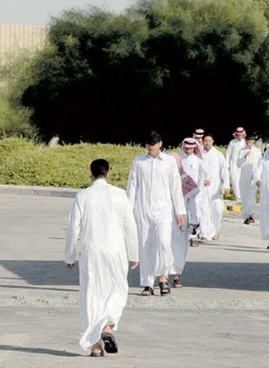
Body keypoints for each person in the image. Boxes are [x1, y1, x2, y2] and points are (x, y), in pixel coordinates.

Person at [64, 159, 138, 357]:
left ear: (90, 173)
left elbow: (73, 228)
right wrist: (134, 254)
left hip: (92, 252)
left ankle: (95, 345)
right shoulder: (120, 195)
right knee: (117, 290)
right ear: (109, 174)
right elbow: (130, 226)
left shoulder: (83, 196)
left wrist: (69, 256)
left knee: (91, 295)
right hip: (116, 252)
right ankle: (108, 326)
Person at [126, 131, 185, 297]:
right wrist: (127, 211)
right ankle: (147, 283)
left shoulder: (169, 162)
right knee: (145, 246)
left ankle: (163, 277)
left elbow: (175, 186)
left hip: (164, 210)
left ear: (160, 144)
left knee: (163, 242)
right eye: (148, 144)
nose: (151, 147)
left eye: (154, 144)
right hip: (144, 210)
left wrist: (179, 211)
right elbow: (132, 187)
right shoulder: (139, 161)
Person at [169, 137, 207, 289]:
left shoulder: (187, 180)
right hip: (165, 218)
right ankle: (163, 276)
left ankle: (177, 275)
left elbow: (192, 202)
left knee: (180, 247)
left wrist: (194, 221)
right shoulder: (164, 178)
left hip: (182, 219)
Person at [200, 133, 230, 240]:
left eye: (209, 141)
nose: (207, 143)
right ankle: (204, 233)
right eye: (205, 141)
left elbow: (224, 170)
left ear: (213, 141)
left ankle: (215, 230)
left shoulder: (218, 155)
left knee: (217, 210)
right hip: (202, 188)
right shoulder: (199, 154)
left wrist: (226, 185)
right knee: (204, 210)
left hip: (216, 188)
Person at [238, 135, 261, 225]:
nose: (249, 143)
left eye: (250, 141)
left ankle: (251, 214)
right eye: (247, 141)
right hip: (244, 175)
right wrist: (244, 157)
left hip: (253, 175)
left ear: (253, 141)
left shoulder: (257, 151)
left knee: (251, 195)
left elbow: (259, 164)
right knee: (244, 195)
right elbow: (238, 164)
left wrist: (257, 176)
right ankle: (247, 215)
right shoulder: (241, 151)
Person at [225, 127, 247, 203]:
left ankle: (244, 198)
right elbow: (228, 154)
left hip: (243, 164)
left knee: (242, 182)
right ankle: (239, 199)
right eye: (238, 135)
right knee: (235, 181)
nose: (239, 136)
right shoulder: (232, 142)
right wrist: (227, 165)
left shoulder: (245, 142)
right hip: (233, 164)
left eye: (241, 135)